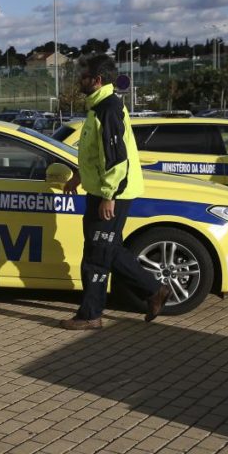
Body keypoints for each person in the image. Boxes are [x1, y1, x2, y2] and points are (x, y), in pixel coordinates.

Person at [60, 54, 170, 330]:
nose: (79, 80)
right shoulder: (97, 108)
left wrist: (109, 195)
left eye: (83, 76)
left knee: (96, 256)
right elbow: (94, 154)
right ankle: (154, 290)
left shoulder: (108, 108)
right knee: (110, 249)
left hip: (112, 194)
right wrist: (78, 176)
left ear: (96, 80)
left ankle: (91, 315)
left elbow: (116, 158)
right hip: (102, 190)